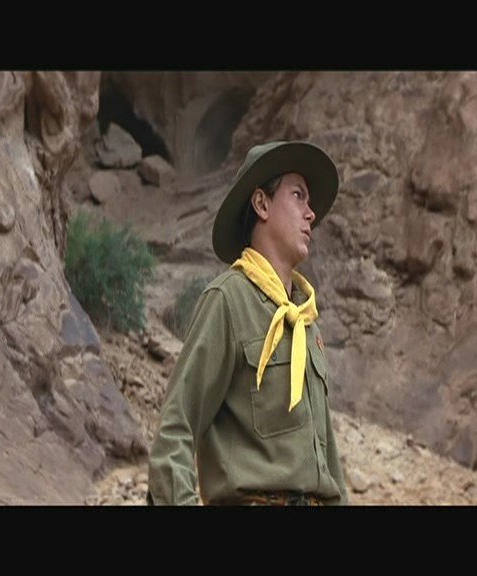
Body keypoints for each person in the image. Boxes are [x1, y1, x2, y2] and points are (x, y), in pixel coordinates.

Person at [147, 140, 349, 506]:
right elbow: (176, 430)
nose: (311, 214)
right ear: (261, 203)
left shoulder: (306, 323)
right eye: (298, 196)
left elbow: (329, 463)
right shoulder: (228, 301)